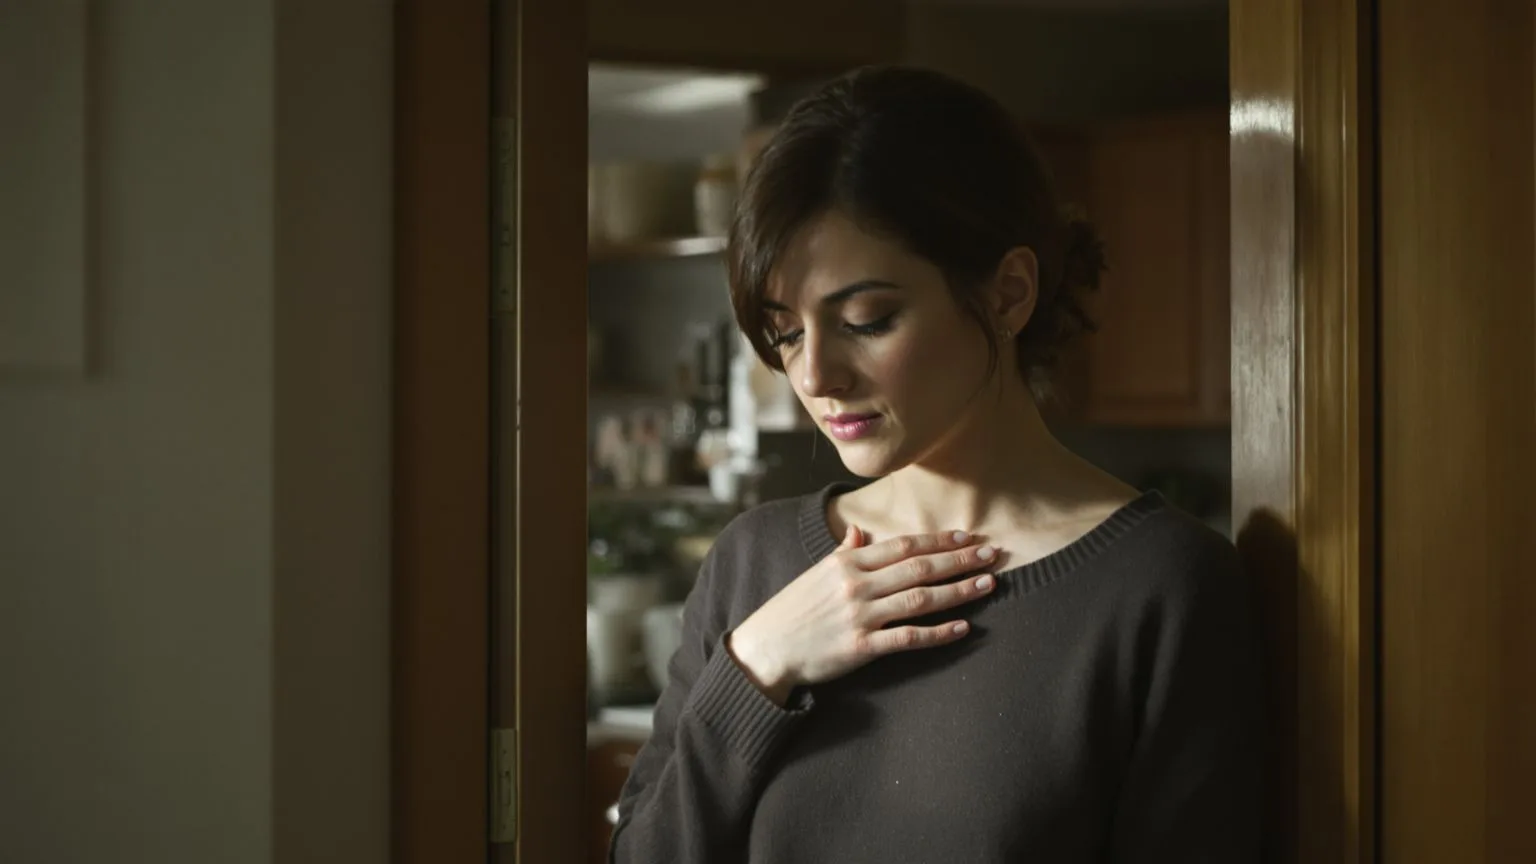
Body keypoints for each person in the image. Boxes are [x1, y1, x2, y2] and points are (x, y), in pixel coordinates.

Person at [609, 66, 1263, 863]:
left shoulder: (1161, 588)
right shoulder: (756, 564)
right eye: (785, 332)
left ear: (1008, 294)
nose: (814, 376)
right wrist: (755, 669)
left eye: (866, 320)